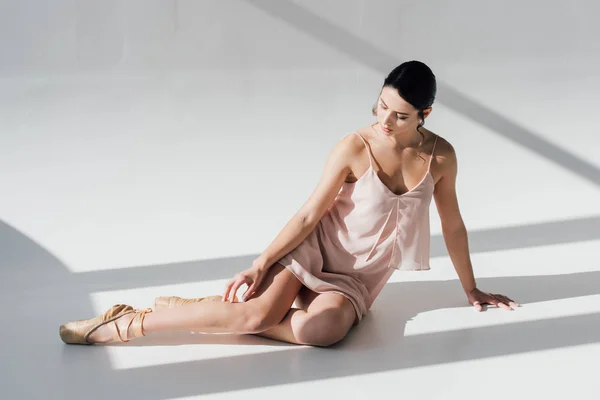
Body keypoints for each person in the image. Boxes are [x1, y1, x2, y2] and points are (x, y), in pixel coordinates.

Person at [59, 60, 519, 348]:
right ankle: (126, 323)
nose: (383, 120)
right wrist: (261, 264)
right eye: (380, 106)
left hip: (357, 279)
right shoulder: (354, 145)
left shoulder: (441, 156)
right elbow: (308, 213)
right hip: (313, 251)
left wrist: (471, 288)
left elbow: (452, 224)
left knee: (324, 333)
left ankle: (197, 308)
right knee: (257, 314)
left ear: (425, 115)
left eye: (399, 115)